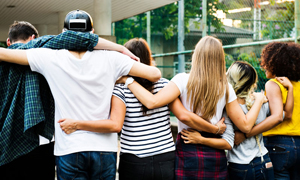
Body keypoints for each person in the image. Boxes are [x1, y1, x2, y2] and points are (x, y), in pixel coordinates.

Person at [0, 9, 162, 180]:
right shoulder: (113, 59)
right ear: (92, 34)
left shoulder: (49, 57)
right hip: (105, 149)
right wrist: (124, 77)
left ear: (64, 34)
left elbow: (4, 53)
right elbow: (154, 74)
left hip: (69, 148)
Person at [58, 38, 227, 180]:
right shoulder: (165, 85)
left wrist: (77, 124)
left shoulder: (120, 89)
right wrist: (215, 128)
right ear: (148, 58)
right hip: (166, 159)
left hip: (134, 161)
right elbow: (183, 114)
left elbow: (115, 124)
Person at [116, 36, 266, 179]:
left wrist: (128, 80)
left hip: (188, 149)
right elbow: (245, 126)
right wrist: (259, 100)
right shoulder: (226, 88)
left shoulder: (181, 81)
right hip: (215, 155)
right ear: (220, 59)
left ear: (196, 55)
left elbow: (153, 103)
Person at [181, 61, 291, 179]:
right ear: (252, 82)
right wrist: (290, 88)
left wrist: (201, 139)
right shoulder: (260, 101)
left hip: (240, 165)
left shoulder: (228, 107)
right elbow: (283, 114)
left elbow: (228, 143)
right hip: (264, 161)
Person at [241, 42, 300, 180]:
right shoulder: (296, 86)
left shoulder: (273, 84)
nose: (263, 65)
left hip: (279, 145)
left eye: (266, 62)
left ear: (277, 63)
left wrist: (247, 133)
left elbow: (278, 116)